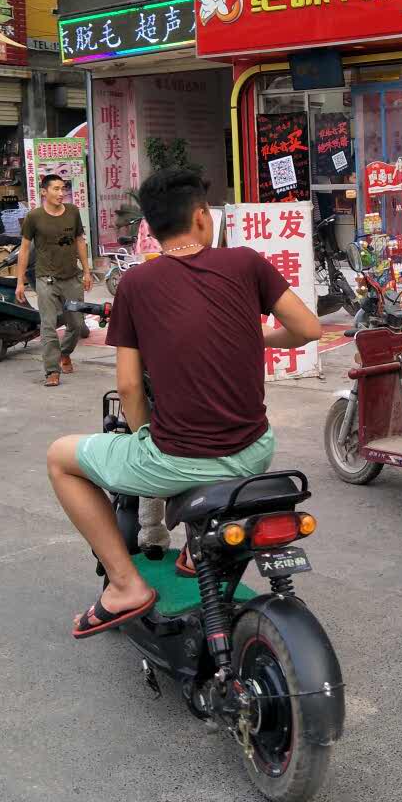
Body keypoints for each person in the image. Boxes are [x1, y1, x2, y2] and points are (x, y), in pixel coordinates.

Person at [46, 167, 322, 639]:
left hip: (182, 462)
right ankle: (198, 551)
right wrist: (261, 336)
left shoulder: (136, 284)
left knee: (60, 458)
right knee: (203, 449)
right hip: (257, 450)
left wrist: (143, 437)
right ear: (201, 217)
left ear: (151, 229)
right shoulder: (246, 263)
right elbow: (309, 329)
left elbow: (131, 389)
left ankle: (124, 585)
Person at [15, 174, 92, 388]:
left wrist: (86, 271)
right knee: (48, 326)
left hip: (72, 278)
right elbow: (23, 250)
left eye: (63, 189)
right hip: (45, 279)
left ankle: (64, 353)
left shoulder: (73, 213)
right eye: (56, 189)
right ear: (44, 192)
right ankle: (51, 371)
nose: (61, 193)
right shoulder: (34, 217)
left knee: (76, 324)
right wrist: (20, 281)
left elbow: (80, 241)